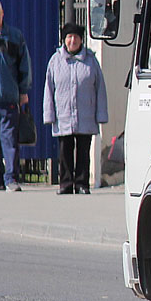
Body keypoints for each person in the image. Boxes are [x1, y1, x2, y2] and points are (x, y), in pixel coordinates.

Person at [43, 23, 108, 194]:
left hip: (86, 114)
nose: (72, 40)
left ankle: (82, 184)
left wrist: (101, 114)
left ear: (81, 40)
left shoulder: (91, 61)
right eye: (69, 37)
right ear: (64, 40)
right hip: (63, 114)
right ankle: (65, 183)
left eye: (76, 37)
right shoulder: (55, 61)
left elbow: (100, 88)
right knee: (65, 151)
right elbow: (49, 89)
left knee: (83, 151)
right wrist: (49, 114)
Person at [0, 0, 32, 191]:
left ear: (3, 14)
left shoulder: (14, 37)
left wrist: (23, 91)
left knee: (9, 139)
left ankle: (11, 178)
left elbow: (24, 66)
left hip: (8, 97)